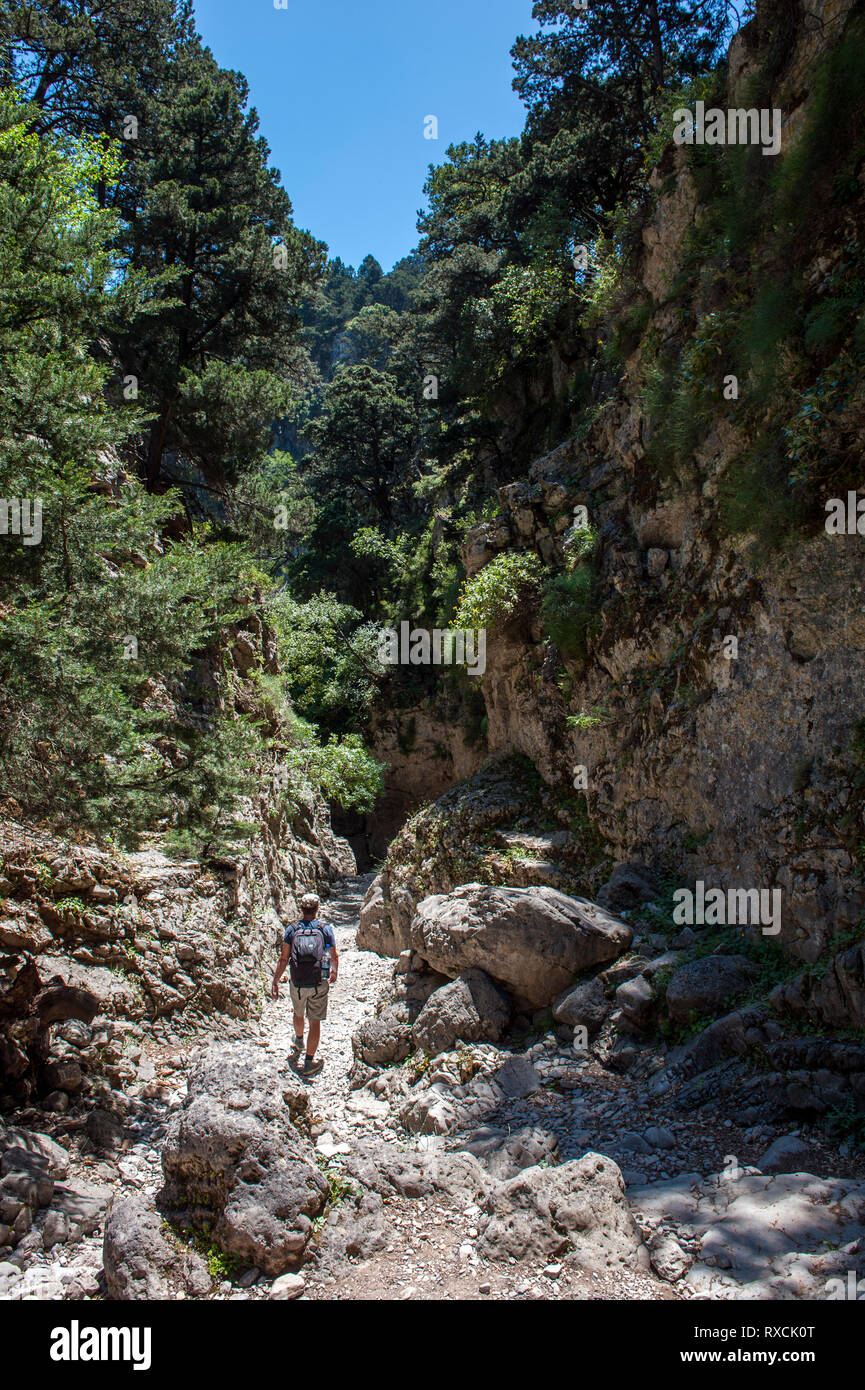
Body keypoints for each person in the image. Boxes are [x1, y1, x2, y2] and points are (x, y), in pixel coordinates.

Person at [271, 892, 338, 1077]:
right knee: (314, 1020)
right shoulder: (325, 929)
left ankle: (299, 1040)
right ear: (317, 909)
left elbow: (284, 958)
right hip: (318, 981)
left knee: (298, 1012)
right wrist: (334, 971)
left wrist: (276, 980)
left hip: (297, 981)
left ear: (301, 908)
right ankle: (309, 1062)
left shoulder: (292, 929)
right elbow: (333, 955)